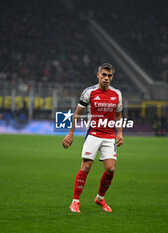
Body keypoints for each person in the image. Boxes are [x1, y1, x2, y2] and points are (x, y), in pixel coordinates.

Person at [62, 63, 124, 213]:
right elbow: (77, 113)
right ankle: (75, 202)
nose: (106, 78)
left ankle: (100, 198)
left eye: (109, 76)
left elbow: (118, 115)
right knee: (86, 167)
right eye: (103, 75)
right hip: (93, 134)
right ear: (98, 75)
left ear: (112, 77)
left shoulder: (117, 94)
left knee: (110, 169)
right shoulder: (89, 92)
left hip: (109, 135)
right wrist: (70, 133)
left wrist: (120, 133)